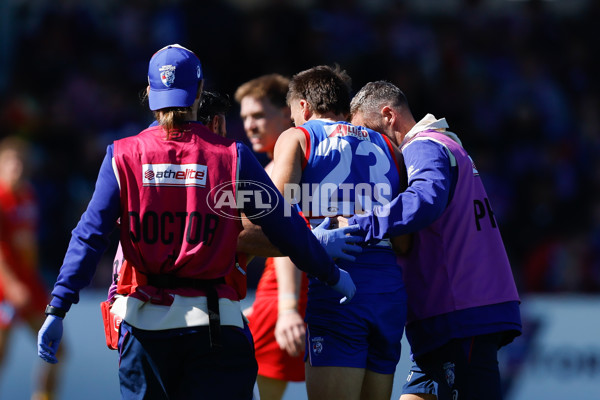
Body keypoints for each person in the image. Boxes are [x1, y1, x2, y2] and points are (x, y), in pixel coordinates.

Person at [36, 44, 356, 400]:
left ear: (149, 93)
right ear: (199, 93)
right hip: (216, 329)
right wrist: (330, 271)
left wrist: (58, 306)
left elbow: (89, 235)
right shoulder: (231, 156)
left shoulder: (122, 154)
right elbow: (285, 225)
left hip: (144, 333)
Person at [347, 80, 522, 400]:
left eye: (369, 132)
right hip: (452, 315)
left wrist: (359, 225)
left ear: (388, 115)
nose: (368, 145)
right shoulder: (445, 144)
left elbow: (423, 202)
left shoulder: (422, 146)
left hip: (459, 312)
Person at [269, 65, 410, 400]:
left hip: (339, 285)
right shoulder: (389, 147)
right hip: (389, 291)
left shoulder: (298, 137)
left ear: (303, 106)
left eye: (292, 115)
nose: (293, 123)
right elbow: (405, 240)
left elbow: (274, 217)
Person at [234, 73, 309, 400]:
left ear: (286, 112)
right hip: (280, 294)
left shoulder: (289, 160)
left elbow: (287, 233)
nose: (250, 125)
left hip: (286, 293)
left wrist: (286, 306)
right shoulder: (270, 167)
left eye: (258, 115)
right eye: (245, 118)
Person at [0, 136, 64, 400]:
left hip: (29, 285)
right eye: (12, 163)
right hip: (5, 288)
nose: (18, 169)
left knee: (56, 349)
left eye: (22, 163)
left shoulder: (28, 196)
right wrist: (11, 284)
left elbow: (30, 246)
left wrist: (33, 279)